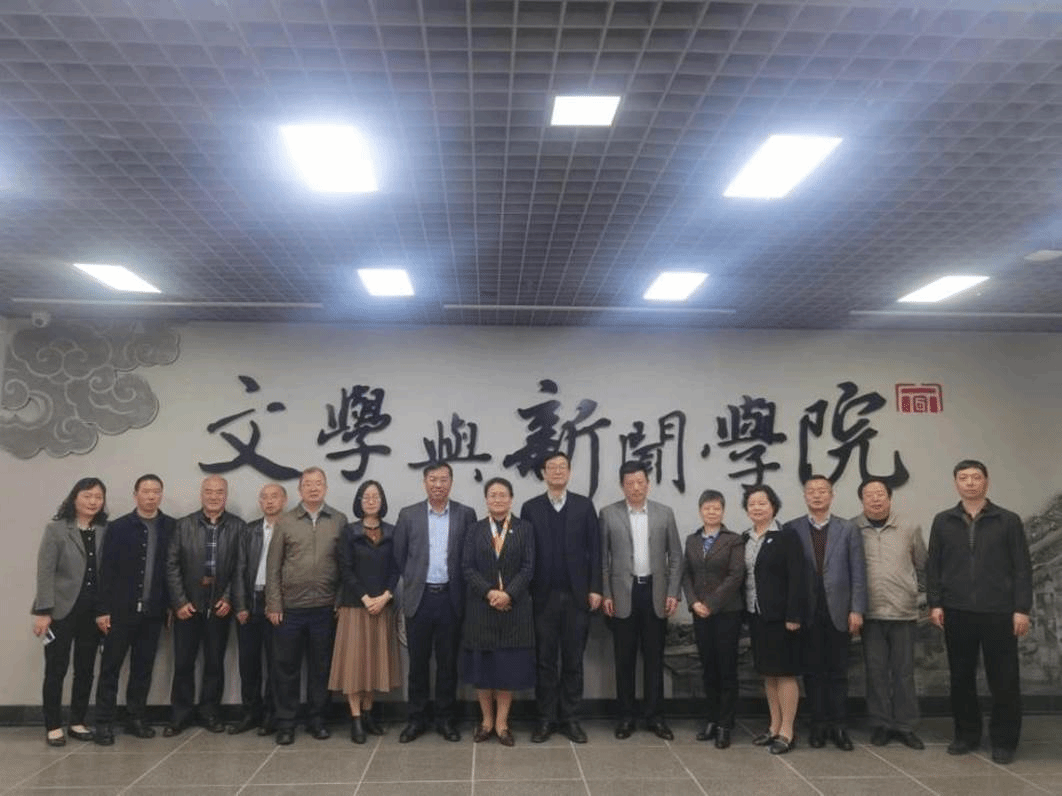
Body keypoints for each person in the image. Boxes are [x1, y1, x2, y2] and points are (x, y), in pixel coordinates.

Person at [927, 459, 1032, 765]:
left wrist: (1021, 608)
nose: (970, 483)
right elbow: (934, 566)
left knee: (1004, 679)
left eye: (976, 477)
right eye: (964, 477)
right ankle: (966, 735)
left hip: (999, 611)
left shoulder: (1007, 520)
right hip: (957, 610)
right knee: (961, 677)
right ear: (956, 483)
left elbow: (1022, 568)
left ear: (986, 481)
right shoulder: (943, 521)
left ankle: (1004, 741)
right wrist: (935, 603)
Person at [520, 451, 601, 744]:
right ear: (543, 473)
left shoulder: (584, 505)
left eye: (562, 466)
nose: (557, 471)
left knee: (573, 661)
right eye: (551, 467)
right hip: (542, 598)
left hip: (577, 597)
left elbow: (595, 549)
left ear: (569, 472)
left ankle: (571, 719)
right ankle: (545, 719)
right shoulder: (531, 508)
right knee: (544, 661)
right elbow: (525, 553)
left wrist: (595, 588)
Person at [392, 462, 477, 743]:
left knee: (447, 663)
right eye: (432, 479)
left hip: (451, 598)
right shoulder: (408, 515)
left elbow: (470, 556)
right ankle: (416, 719)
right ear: (424, 482)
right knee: (417, 664)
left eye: (443, 479)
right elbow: (400, 557)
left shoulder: (465, 514)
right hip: (420, 598)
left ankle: (445, 719)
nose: (438, 484)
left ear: (451, 482)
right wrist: (415, 581)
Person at [266, 466, 348, 745]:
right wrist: (274, 604)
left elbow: (345, 566)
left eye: (318, 483)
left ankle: (318, 719)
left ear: (326, 487)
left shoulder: (338, 520)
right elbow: (273, 566)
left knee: (321, 667)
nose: (313, 488)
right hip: (290, 609)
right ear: (300, 489)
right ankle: (286, 722)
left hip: (325, 608)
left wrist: (339, 601)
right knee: (285, 668)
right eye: (308, 484)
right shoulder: (286, 521)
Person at [600, 461, 682, 740]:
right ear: (622, 486)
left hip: (655, 593)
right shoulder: (608, 514)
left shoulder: (664, 513)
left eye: (640, 482)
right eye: (629, 483)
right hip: (622, 594)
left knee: (654, 659)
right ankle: (626, 717)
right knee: (623, 659)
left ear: (648, 483)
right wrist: (606, 593)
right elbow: (602, 559)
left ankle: (655, 717)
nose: (635, 487)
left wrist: (673, 592)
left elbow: (676, 556)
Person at [785, 475, 866, 752]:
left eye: (822, 491)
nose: (817, 495)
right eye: (811, 491)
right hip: (807, 610)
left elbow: (858, 572)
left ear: (831, 495)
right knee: (812, 671)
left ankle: (839, 726)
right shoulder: (792, 528)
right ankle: (818, 725)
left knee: (838, 671)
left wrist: (857, 609)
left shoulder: (848, 529)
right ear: (805, 496)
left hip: (840, 610)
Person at [94, 474, 175, 746]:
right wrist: (102, 609)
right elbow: (106, 570)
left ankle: (135, 718)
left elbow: (173, 570)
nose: (151, 496)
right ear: (135, 494)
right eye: (146, 491)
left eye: (156, 491)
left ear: (161, 495)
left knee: (143, 668)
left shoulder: (170, 526)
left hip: (153, 612)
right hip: (119, 612)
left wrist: (170, 606)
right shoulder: (118, 527)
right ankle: (103, 722)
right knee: (110, 668)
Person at [164, 475, 243, 736]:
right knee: (183, 664)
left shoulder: (237, 526)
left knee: (214, 664)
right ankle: (180, 715)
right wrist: (179, 601)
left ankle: (210, 712)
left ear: (226, 495)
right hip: (188, 607)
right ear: (201, 494)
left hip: (219, 607)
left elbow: (240, 567)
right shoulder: (183, 525)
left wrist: (229, 598)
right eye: (209, 491)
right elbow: (171, 565)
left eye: (219, 492)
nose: (213, 496)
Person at [32, 478, 108, 747]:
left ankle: (77, 721)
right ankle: (53, 725)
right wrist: (43, 611)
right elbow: (45, 571)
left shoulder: (105, 530)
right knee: (56, 669)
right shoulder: (56, 530)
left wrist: (106, 609)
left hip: (93, 612)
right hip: (61, 611)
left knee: (85, 669)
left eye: (98, 497)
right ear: (75, 498)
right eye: (87, 496)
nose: (93, 501)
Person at [853, 478, 927, 750]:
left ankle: (905, 726)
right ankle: (881, 724)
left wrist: (914, 594)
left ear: (889, 497)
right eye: (869, 495)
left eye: (880, 494)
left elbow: (922, 565)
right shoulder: (852, 528)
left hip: (903, 612)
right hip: (870, 613)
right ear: (862, 500)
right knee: (876, 673)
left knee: (904, 673)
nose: (875, 499)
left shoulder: (909, 527)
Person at [462, 477, 536, 747]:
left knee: (507, 669)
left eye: (503, 495)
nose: (498, 499)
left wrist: (508, 594)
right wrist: (490, 593)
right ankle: (486, 722)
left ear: (511, 499)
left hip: (514, 609)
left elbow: (529, 567)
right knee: (483, 670)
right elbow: (467, 567)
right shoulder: (474, 530)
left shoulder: (525, 529)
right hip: (481, 608)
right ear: (486, 499)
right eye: (492, 495)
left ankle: (502, 724)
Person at [329, 480, 400, 744]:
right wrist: (366, 598)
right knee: (354, 665)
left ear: (382, 501)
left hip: (382, 605)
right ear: (359, 502)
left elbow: (396, 568)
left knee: (374, 664)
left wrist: (386, 596)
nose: (371, 501)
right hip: (355, 605)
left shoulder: (392, 531)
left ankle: (369, 714)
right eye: (366, 497)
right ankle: (356, 718)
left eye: (375, 496)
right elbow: (345, 570)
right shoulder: (349, 531)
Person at [742, 484, 804, 756]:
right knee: (768, 673)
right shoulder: (745, 538)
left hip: (782, 618)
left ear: (773, 506)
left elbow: (798, 577)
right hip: (756, 615)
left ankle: (787, 731)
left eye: (762, 503)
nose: (757, 507)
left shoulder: (786, 536)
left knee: (785, 673)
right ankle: (773, 725)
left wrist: (794, 614)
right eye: (752, 503)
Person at [681, 489, 744, 748]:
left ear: (723, 511)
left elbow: (736, 575)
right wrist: (694, 602)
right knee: (708, 668)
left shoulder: (734, 540)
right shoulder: (692, 540)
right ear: (700, 511)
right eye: (707, 508)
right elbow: (686, 574)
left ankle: (725, 724)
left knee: (726, 668)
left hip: (727, 613)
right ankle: (711, 718)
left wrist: (711, 604)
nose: (711, 512)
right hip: (700, 613)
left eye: (716, 508)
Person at [230, 482, 288, 735]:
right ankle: (250, 713)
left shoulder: (290, 528)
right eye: (264, 497)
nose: (269, 501)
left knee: (277, 662)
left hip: (279, 603)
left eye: (274, 497)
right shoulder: (249, 530)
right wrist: (241, 605)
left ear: (284, 501)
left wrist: (281, 604)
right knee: (248, 663)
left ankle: (271, 715)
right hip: (251, 600)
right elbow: (239, 569)